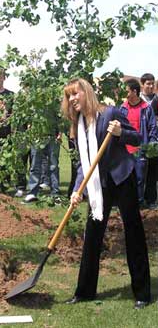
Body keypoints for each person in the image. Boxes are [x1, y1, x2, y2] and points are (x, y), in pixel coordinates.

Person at [62, 78, 151, 310]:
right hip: (97, 186)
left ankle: (142, 293)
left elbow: (137, 138)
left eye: (75, 94)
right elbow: (85, 163)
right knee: (92, 236)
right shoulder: (79, 124)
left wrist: (121, 132)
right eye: (69, 96)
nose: (72, 99)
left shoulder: (110, 112)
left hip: (122, 178)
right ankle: (84, 292)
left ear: (86, 93)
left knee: (133, 233)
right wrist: (76, 190)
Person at [119, 78, 157, 206]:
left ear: (134, 92)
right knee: (124, 179)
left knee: (140, 179)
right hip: (124, 150)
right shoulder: (122, 108)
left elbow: (152, 128)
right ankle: (125, 204)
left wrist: (151, 144)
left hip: (140, 150)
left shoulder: (146, 108)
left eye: (127, 91)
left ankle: (139, 203)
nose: (125, 94)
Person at [140, 73, 158, 209]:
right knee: (138, 171)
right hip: (139, 141)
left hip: (154, 141)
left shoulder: (157, 100)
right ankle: (138, 199)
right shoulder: (136, 100)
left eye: (152, 83)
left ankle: (151, 200)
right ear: (142, 84)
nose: (151, 86)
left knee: (152, 170)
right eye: (148, 83)